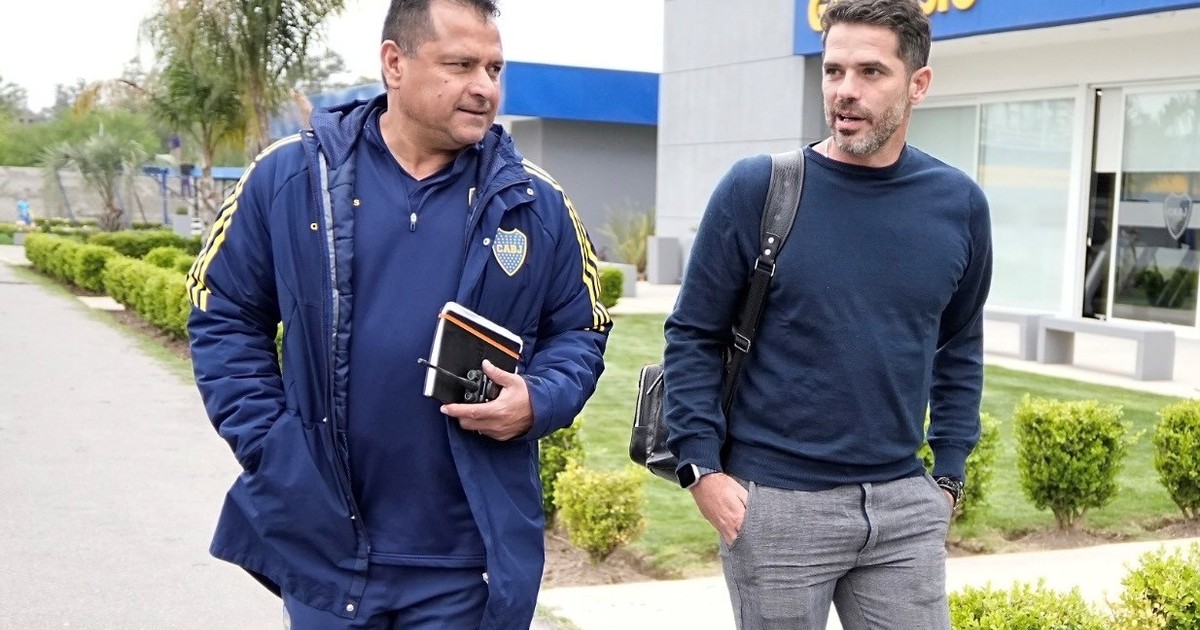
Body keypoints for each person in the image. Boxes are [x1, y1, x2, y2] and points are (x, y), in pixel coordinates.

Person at [185, 1, 612, 628]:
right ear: (394, 63)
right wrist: (274, 448)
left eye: (494, 69)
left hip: (467, 567)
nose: (484, 87)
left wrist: (539, 399)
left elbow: (581, 328)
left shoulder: (537, 203)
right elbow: (221, 311)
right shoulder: (290, 177)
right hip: (327, 551)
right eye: (460, 65)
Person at [662, 1, 993, 628]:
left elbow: (959, 344)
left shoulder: (958, 204)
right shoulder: (759, 188)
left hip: (903, 507)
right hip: (777, 505)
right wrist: (701, 468)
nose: (845, 91)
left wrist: (948, 474)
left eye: (871, 72)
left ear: (918, 84)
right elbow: (693, 334)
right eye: (833, 70)